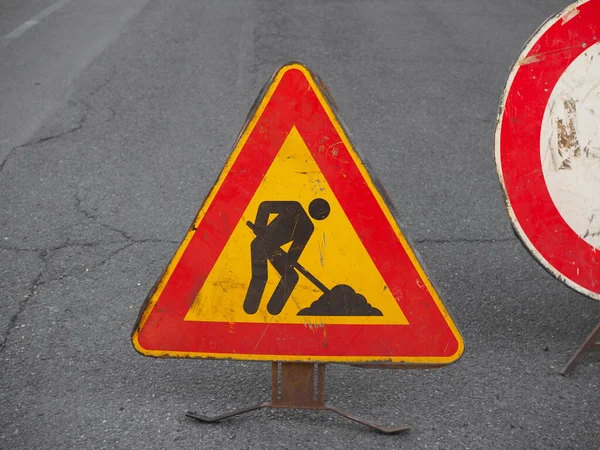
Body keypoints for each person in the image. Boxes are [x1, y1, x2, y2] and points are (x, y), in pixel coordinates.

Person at [243, 198, 330, 315]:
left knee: (290, 276)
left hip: (270, 245)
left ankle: (273, 309)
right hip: (263, 240)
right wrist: (260, 226)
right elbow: (265, 206)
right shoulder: (293, 207)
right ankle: (252, 304)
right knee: (259, 257)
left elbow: (295, 252)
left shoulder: (308, 227)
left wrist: (289, 261)